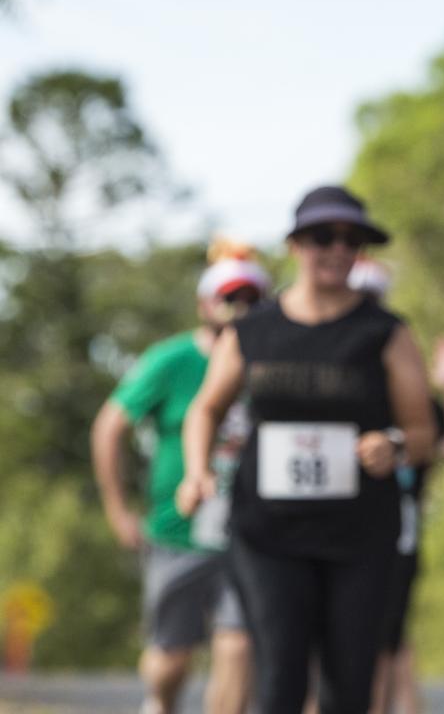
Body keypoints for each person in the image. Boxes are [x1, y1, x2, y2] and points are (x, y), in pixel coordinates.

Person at [177, 185, 435, 714]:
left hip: (360, 538)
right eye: (324, 237)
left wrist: (392, 445)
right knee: (280, 679)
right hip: (267, 534)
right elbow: (205, 409)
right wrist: (196, 472)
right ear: (296, 244)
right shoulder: (252, 331)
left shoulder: (384, 333)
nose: (338, 250)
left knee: (348, 686)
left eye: (352, 240)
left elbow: (422, 430)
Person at [90, 242, 270, 714]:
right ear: (205, 303)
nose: (240, 309)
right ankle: (161, 702)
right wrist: (117, 507)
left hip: (250, 532)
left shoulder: (274, 361)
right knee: (171, 656)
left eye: (251, 299)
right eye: (230, 297)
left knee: (239, 646)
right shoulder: (170, 361)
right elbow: (110, 426)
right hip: (177, 531)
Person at [348, 258, 444, 714]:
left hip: (395, 541)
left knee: (389, 640)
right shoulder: (341, 388)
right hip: (330, 532)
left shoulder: (416, 401)